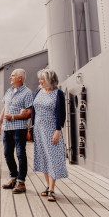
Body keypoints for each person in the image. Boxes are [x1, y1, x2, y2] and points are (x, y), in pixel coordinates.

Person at [29, 68, 68, 201]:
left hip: (51, 129)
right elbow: (34, 110)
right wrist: (32, 126)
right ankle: (47, 186)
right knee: (43, 158)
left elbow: (62, 114)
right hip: (38, 129)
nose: (40, 81)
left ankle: (52, 189)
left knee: (52, 159)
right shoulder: (38, 91)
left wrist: (58, 131)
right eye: (40, 79)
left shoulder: (58, 93)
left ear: (50, 80)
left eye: (42, 79)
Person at [0, 68, 33, 194]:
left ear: (19, 78)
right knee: (7, 153)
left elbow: (29, 113)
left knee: (20, 155)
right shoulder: (8, 91)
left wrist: (13, 116)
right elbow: (4, 109)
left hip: (19, 128)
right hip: (7, 128)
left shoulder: (27, 93)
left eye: (12, 75)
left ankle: (21, 182)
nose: (10, 77)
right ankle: (13, 178)